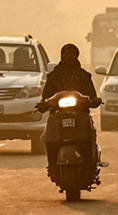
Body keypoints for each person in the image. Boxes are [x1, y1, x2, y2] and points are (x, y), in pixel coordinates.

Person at [41, 44, 98, 177]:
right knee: (45, 137)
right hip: (57, 115)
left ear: (77, 56)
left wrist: (94, 100)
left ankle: (91, 164)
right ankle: (52, 166)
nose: (69, 57)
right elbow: (45, 97)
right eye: (66, 55)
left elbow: (93, 96)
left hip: (81, 115)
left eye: (72, 55)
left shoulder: (84, 76)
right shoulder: (54, 76)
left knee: (91, 134)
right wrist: (43, 104)